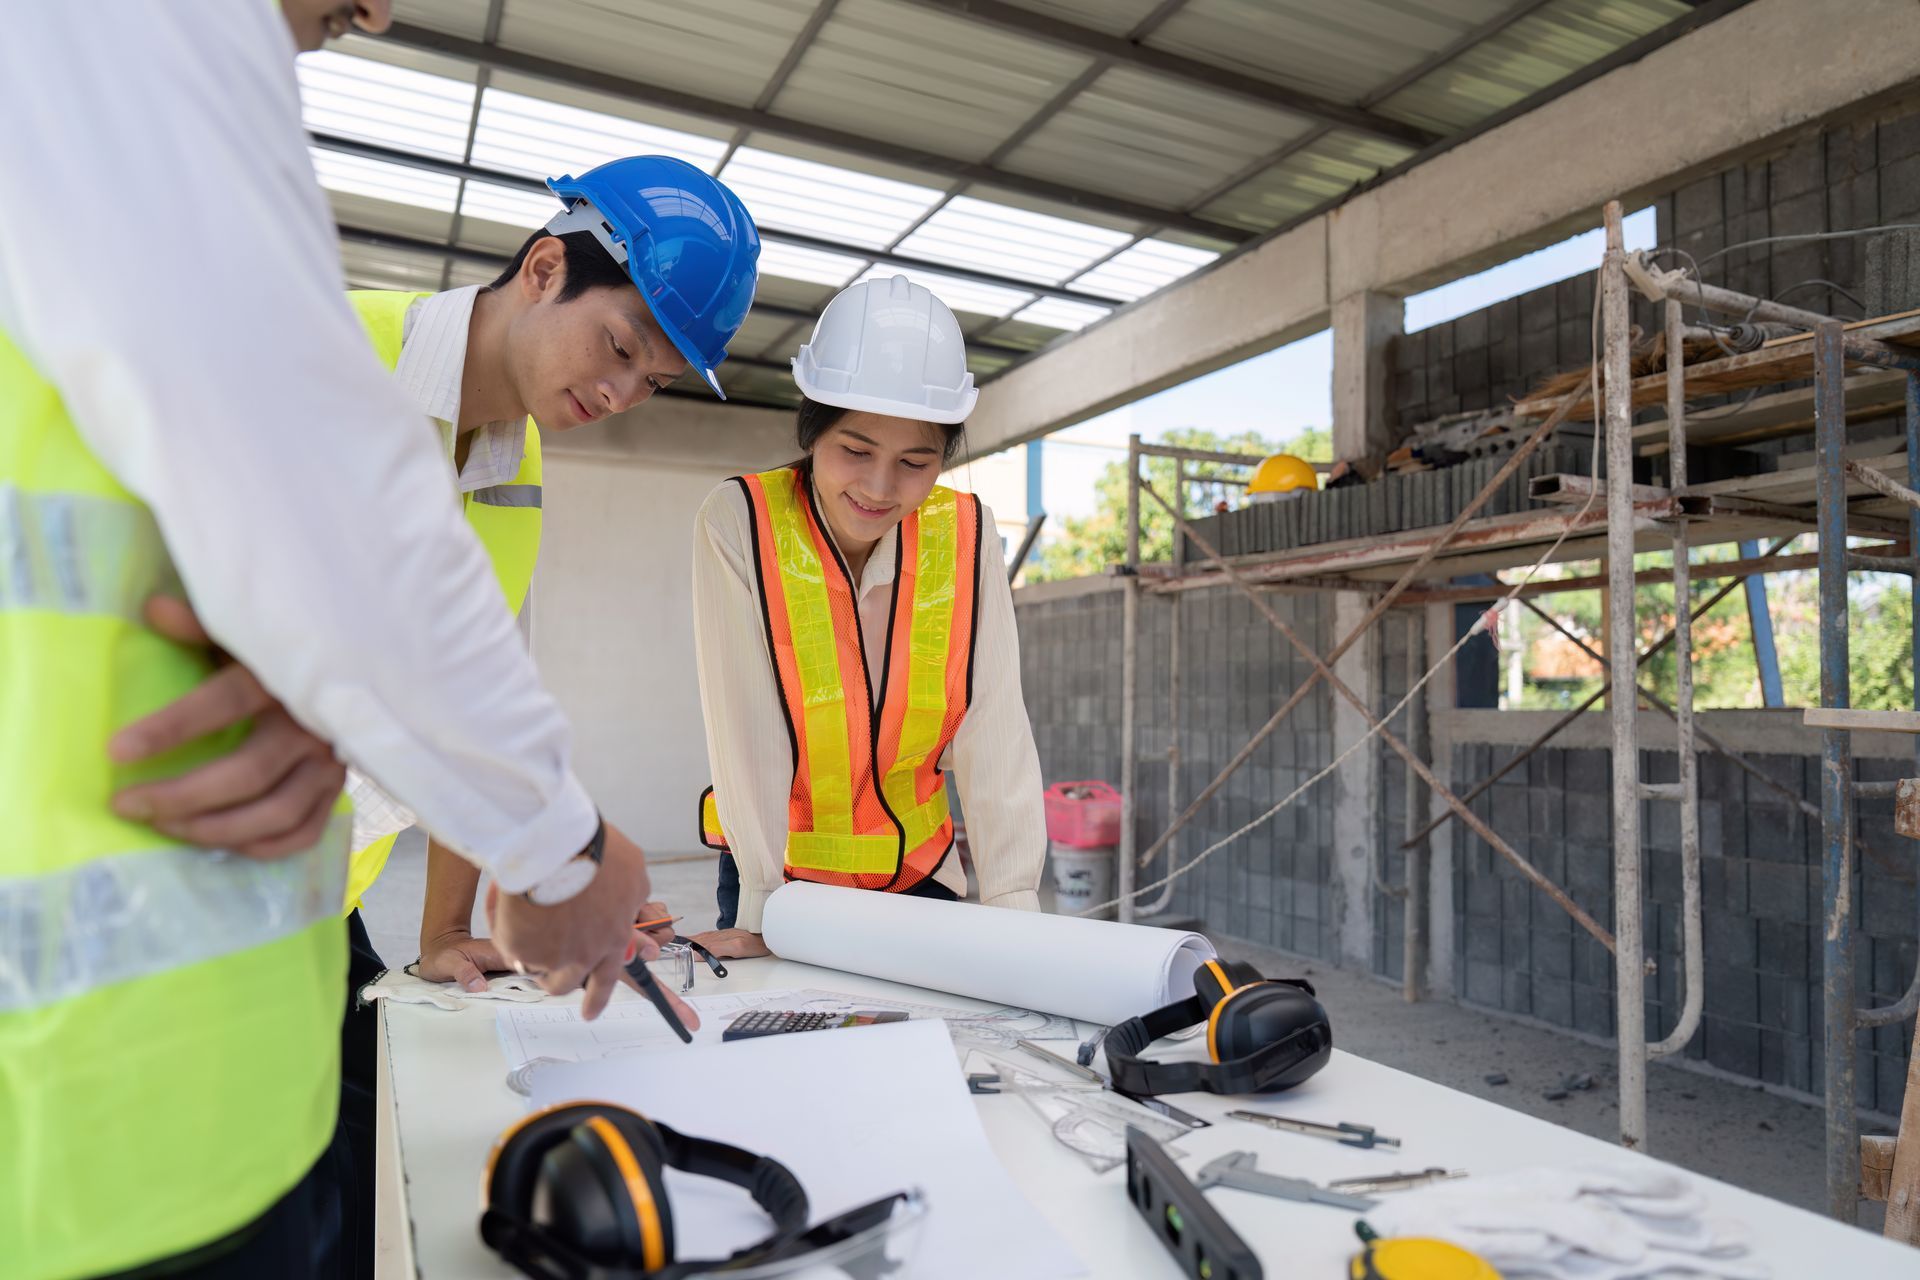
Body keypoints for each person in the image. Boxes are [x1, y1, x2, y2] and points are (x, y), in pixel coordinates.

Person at [0, 5, 686, 1277]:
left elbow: (439, 676)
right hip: (93, 1087)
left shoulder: (516, 469)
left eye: (653, 381)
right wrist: (561, 848)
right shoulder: (331, 336)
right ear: (544, 269)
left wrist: (456, 918)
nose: (621, 391)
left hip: (277, 974)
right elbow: (349, 559)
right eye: (621, 347)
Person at [682, 276, 1047, 960]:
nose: (880, 488)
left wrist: (1012, 905)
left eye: (915, 462)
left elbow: (994, 726)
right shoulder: (741, 521)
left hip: (923, 878)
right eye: (855, 451)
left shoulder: (968, 532)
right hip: (784, 886)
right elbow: (744, 723)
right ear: (812, 429)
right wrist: (761, 907)